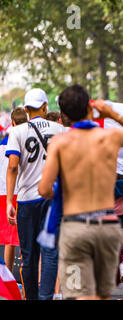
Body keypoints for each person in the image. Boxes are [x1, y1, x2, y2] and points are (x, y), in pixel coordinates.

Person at [37, 85, 123, 300]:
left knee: (81, 293)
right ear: (90, 108)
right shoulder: (108, 137)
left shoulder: (60, 143)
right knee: (101, 294)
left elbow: (43, 189)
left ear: (63, 114)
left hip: (74, 228)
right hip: (106, 226)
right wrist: (112, 115)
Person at [5, 88, 65, 300]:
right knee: (50, 251)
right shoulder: (59, 129)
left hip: (27, 200)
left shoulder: (17, 132)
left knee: (29, 255)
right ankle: (47, 295)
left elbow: (12, 166)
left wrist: (10, 201)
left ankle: (31, 297)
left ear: (26, 108)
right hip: (53, 199)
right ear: (45, 106)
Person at [0, 108, 27, 272]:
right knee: (24, 238)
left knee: (10, 239)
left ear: (13, 122)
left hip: (4, 193)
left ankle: (9, 275)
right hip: (21, 193)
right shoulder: (27, 142)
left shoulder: (4, 144)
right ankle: (27, 278)